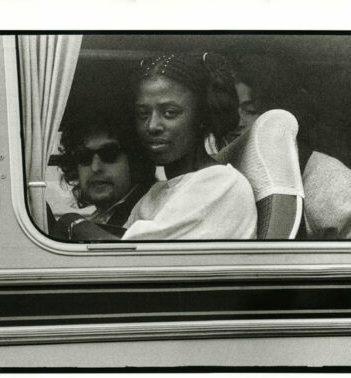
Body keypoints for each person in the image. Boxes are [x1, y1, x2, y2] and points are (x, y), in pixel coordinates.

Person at [59, 52, 258, 241]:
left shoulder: (220, 183)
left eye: (170, 113)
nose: (152, 126)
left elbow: (124, 256)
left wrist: (71, 221)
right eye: (143, 114)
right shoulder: (156, 193)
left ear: (202, 117)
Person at [224, 53, 351, 239]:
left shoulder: (324, 173)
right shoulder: (225, 173)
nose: (237, 122)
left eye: (250, 110)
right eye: (228, 111)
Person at [52, 112, 156, 238]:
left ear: (135, 159)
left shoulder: (152, 211)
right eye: (84, 156)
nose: (95, 167)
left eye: (109, 153)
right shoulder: (100, 216)